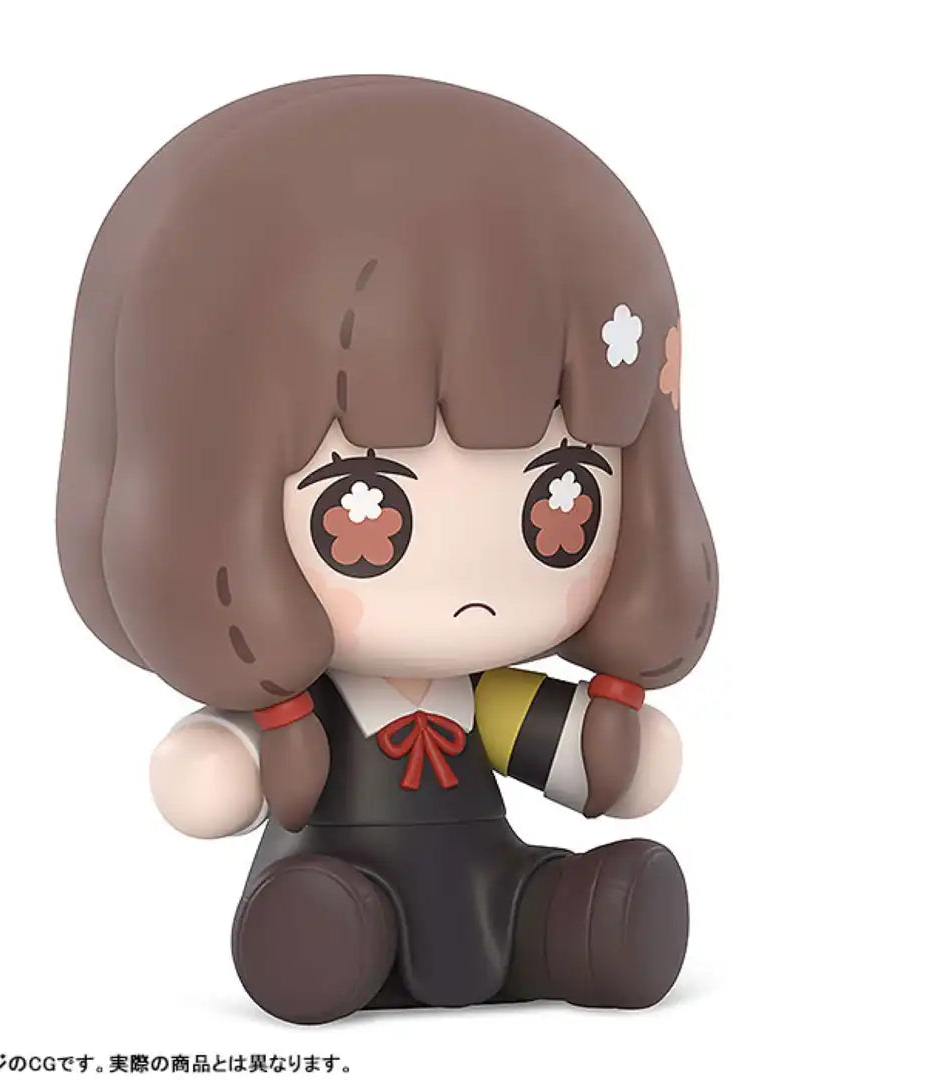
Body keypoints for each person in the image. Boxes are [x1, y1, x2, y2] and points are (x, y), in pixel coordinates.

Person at [57, 75, 717, 1024]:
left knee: (562, 902)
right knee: (327, 916)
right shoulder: (301, 713)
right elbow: (213, 781)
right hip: (333, 880)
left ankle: (574, 927)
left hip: (493, 883)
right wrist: (220, 761)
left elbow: (593, 759)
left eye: (560, 494)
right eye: (367, 508)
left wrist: (614, 743)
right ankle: (323, 940)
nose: (473, 580)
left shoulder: (485, 697)